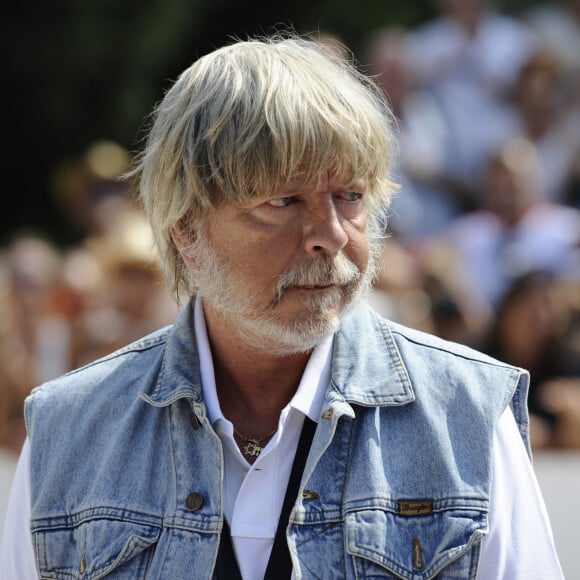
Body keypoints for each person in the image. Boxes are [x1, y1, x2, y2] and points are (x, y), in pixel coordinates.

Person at [0, 33, 563, 579]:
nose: (331, 234)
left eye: (351, 195)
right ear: (186, 230)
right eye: (283, 200)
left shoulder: (465, 415)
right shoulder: (69, 434)